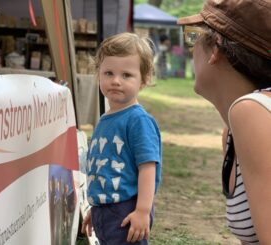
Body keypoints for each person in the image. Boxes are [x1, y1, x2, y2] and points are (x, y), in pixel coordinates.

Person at [178, 0, 271, 244]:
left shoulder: (254, 111)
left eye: (193, 36)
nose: (190, 48)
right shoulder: (233, 129)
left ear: (216, 49)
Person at [81, 32, 162, 244]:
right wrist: (97, 207)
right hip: (106, 211)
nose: (116, 81)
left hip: (126, 211)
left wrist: (143, 211)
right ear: (98, 74)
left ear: (143, 81)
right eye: (108, 73)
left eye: (126, 75)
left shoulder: (138, 120)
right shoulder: (106, 118)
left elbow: (148, 167)